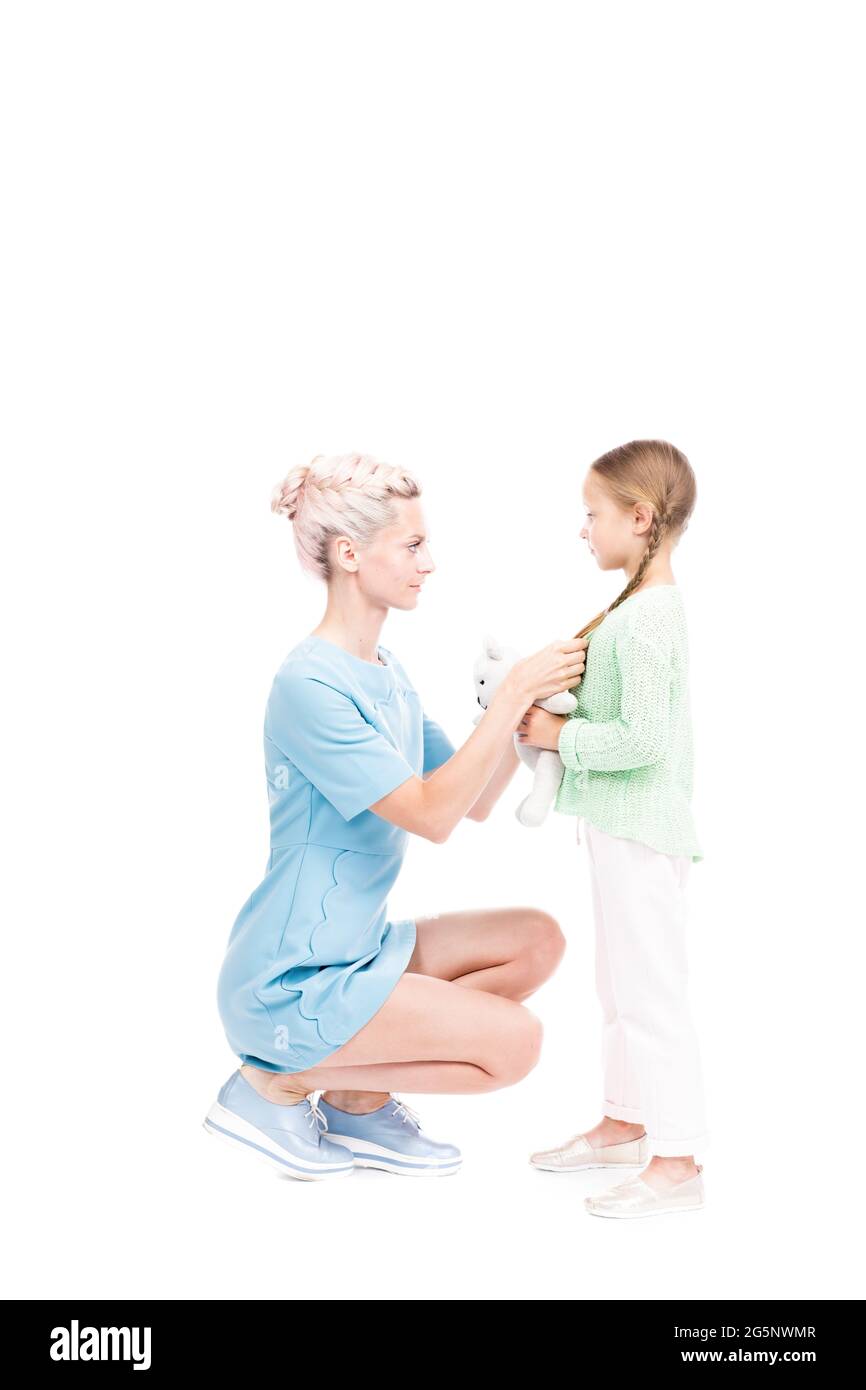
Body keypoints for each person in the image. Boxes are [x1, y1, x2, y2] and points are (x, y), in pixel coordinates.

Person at [204, 452, 587, 1180]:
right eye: (412, 545)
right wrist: (509, 702)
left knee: (536, 940)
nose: (429, 562)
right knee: (516, 1044)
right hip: (291, 979)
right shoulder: (309, 681)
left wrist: (514, 710)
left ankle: (357, 1093)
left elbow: (469, 801)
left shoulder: (386, 672)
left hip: (358, 950)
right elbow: (429, 815)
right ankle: (273, 1082)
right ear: (351, 554)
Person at [520, 439, 710, 1219]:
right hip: (612, 824)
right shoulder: (632, 608)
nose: (584, 529)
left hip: (641, 829)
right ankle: (626, 1120)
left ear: (640, 518)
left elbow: (642, 741)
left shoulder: (653, 616)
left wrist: (554, 738)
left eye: (593, 514)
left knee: (650, 993)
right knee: (617, 988)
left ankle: (678, 1161)